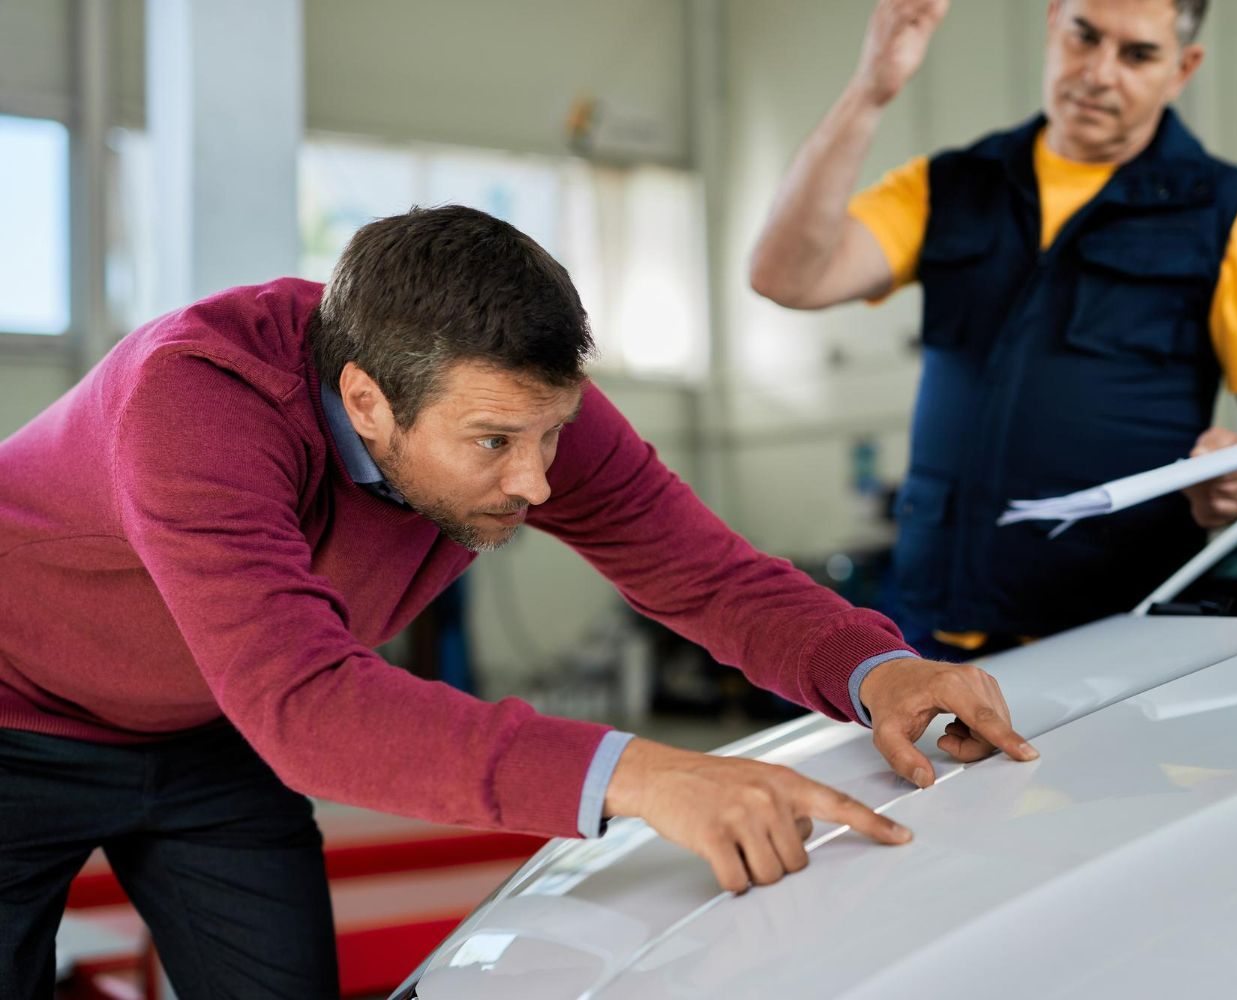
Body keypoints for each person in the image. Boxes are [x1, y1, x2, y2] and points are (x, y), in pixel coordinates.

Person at [0, 206, 1037, 998]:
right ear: (366, 399)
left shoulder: (517, 401)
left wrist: (877, 666)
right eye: (496, 443)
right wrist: (642, 773)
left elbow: (705, 573)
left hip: (214, 734)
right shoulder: (198, 403)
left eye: (550, 436)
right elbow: (310, 706)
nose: (538, 480)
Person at [750, 0, 1237, 657]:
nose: (1099, 73)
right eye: (1084, 36)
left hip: (1118, 636)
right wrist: (869, 92)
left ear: (1183, 69)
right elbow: (785, 277)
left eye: (1137, 54)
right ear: (1054, 20)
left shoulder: (1231, 214)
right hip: (933, 624)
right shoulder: (949, 187)